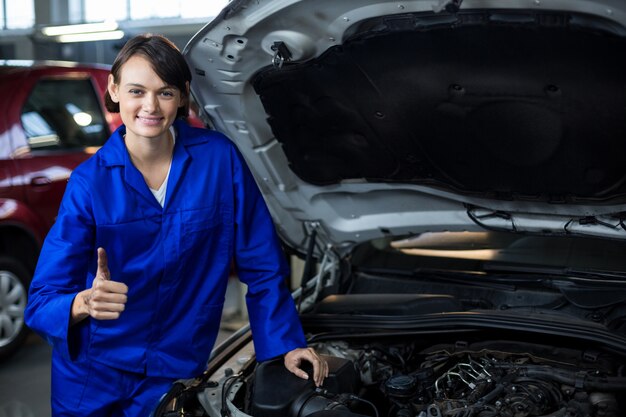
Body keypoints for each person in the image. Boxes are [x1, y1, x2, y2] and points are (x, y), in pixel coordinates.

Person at [24, 33, 328, 417]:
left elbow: (262, 262)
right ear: (115, 91)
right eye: (137, 91)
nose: (150, 106)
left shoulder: (220, 161)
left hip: (175, 370)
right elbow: (42, 298)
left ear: (183, 95)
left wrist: (285, 343)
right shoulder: (90, 182)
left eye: (165, 92)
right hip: (92, 375)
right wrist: (84, 301)